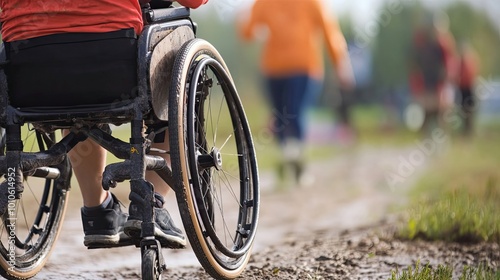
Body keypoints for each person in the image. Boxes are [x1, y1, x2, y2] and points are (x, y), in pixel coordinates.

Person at [0, 0, 207, 248]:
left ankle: (98, 211)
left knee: (75, 108)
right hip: (113, 65)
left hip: (30, 73)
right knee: (173, 74)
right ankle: (150, 206)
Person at [239, 0, 354, 185]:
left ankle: (297, 165)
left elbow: (329, 31)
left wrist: (341, 64)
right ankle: (288, 160)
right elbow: (247, 32)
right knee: (279, 117)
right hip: (274, 68)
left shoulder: (313, 2)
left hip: (304, 66)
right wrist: (245, 19)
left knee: (294, 111)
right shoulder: (264, 3)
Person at [409, 12, 457, 135]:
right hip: (427, 82)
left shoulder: (444, 44)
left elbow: (449, 64)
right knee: (427, 111)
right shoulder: (423, 42)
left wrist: (447, 80)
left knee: (441, 112)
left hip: (440, 83)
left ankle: (440, 137)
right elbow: (416, 64)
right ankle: (426, 138)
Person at [457, 42, 479, 136]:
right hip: (463, 88)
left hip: (469, 88)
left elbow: (471, 74)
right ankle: (466, 131)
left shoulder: (469, 59)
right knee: (464, 110)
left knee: (469, 111)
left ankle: (469, 131)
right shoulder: (460, 61)